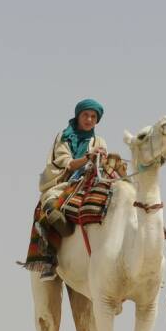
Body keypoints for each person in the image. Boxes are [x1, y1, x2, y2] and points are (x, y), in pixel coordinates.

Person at [29, 98, 108, 279]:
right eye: (86, 115)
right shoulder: (64, 137)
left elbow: (101, 165)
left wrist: (102, 159)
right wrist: (88, 158)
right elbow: (67, 163)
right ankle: (49, 256)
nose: (89, 119)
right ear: (78, 116)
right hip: (65, 182)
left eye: (93, 116)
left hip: (90, 182)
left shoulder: (100, 140)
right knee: (49, 204)